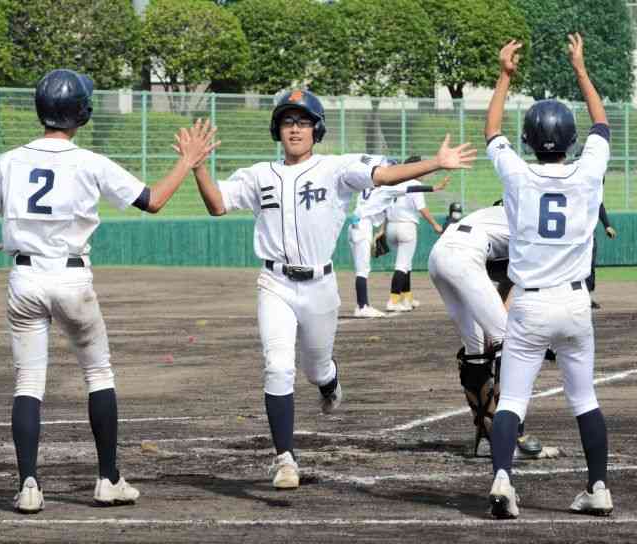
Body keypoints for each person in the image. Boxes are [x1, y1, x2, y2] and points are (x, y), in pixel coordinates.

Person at [185, 89, 476, 489]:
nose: (295, 128)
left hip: (319, 285)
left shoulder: (335, 168)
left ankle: (329, 382)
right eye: (288, 121)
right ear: (277, 129)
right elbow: (217, 204)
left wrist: (435, 164)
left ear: (316, 129)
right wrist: (199, 168)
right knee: (277, 366)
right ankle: (285, 458)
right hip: (274, 282)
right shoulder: (257, 175)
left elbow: (383, 176)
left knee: (315, 367)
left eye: (303, 121)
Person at [0, 69, 218, 513]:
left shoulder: (9, 160)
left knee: (28, 382)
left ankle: (28, 486)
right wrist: (188, 161)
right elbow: (153, 200)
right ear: (82, 112)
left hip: (24, 278)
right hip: (71, 278)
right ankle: (108, 479)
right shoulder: (90, 161)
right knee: (98, 374)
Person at [484, 35, 613, 519]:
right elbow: (602, 122)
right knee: (584, 398)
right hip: (577, 304)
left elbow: (491, 131)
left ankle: (502, 479)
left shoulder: (518, 175)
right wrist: (580, 68)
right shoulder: (588, 172)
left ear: (532, 141)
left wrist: (504, 75)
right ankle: (598, 487)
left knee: (513, 398)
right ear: (570, 140)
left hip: (531, 304)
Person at [428, 202, 542, 459]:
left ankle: (486, 438)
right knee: (509, 343)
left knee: (476, 349)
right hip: (465, 256)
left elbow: (498, 284)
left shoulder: (487, 217)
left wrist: (495, 323)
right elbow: (516, 285)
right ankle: (513, 434)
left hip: (439, 256)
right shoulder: (533, 225)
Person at [384, 156, 444, 312]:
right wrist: (435, 224)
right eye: (420, 167)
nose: (423, 170)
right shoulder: (415, 184)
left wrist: (381, 230)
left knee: (406, 263)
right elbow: (421, 208)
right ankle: (393, 300)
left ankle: (407, 298)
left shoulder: (395, 182)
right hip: (406, 227)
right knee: (402, 265)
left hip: (391, 225)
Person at [347, 186, 388, 318]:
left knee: (360, 269)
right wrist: (433, 188)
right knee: (363, 270)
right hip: (363, 226)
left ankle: (362, 305)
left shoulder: (365, 187)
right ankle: (362, 306)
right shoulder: (384, 189)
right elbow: (409, 188)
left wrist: (380, 231)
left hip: (354, 225)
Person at [588, 201, 617, 309]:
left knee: (589, 265)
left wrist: (607, 225)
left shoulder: (594, 190)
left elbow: (598, 203)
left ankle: (587, 296)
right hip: (575, 234)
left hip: (588, 235)